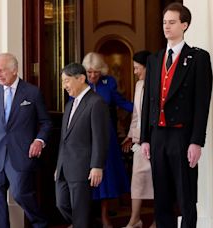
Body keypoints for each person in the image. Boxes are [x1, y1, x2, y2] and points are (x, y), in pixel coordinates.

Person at [140, 3, 213, 228]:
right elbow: (147, 103)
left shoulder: (198, 58)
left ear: (185, 25)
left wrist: (196, 141)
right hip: (158, 136)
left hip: (182, 136)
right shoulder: (154, 59)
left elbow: (202, 104)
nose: (166, 27)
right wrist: (144, 138)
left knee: (186, 196)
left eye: (172, 22)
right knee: (161, 197)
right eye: (164, 22)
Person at [0, 53, 52, 228]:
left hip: (21, 155)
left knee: (20, 193)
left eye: (2, 70)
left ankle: (40, 223)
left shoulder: (32, 92)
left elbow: (46, 122)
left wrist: (39, 141)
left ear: (14, 70)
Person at [55, 63, 110, 228]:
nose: (64, 86)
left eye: (66, 81)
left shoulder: (96, 102)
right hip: (65, 167)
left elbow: (100, 137)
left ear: (80, 79)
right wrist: (59, 165)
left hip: (83, 167)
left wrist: (97, 166)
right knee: (61, 203)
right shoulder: (70, 104)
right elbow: (64, 140)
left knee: (80, 211)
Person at [82, 52, 132, 228]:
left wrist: (142, 109)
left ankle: (104, 217)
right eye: (89, 72)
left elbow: (119, 101)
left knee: (106, 175)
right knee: (83, 175)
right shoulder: (80, 82)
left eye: (96, 72)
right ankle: (83, 217)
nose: (92, 76)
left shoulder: (108, 82)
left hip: (106, 133)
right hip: (85, 134)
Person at [121, 50, 155, 228]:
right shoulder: (139, 85)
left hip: (156, 140)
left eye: (137, 68)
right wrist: (130, 136)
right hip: (140, 141)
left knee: (159, 181)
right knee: (137, 179)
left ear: (147, 67)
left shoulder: (158, 84)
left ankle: (158, 221)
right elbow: (136, 115)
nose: (135, 72)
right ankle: (135, 219)